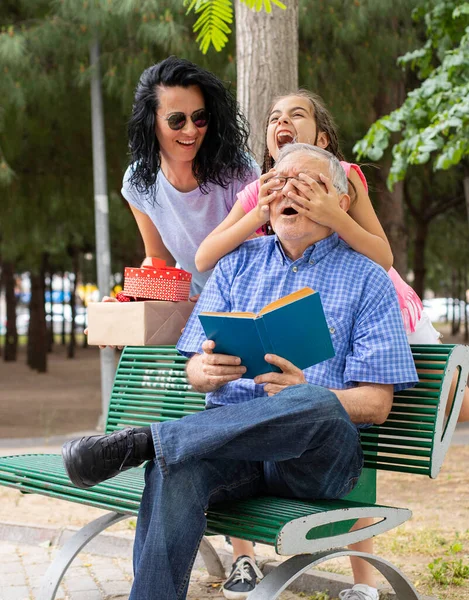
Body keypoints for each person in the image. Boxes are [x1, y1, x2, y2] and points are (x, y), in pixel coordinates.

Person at [63, 144, 419, 600]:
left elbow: (377, 403)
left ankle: (146, 441)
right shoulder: (235, 265)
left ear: (340, 202)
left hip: (314, 460)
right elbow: (193, 367)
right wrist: (205, 371)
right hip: (233, 452)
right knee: (175, 468)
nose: (290, 191)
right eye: (280, 182)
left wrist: (306, 390)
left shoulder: (368, 277)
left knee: (312, 399)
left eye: (307, 183)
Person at [194, 91, 469, 599]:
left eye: (297, 115)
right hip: (296, 305)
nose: (283, 122)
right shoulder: (262, 190)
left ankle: (364, 579)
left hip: (371, 297)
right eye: (274, 117)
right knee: (245, 402)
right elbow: (207, 254)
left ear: (322, 138)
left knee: (420, 402)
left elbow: (380, 255)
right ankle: (247, 558)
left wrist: (330, 211)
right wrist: (262, 211)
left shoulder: (344, 179)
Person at [120, 55, 260, 299]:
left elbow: (258, 256)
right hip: (191, 304)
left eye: (200, 117)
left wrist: (215, 300)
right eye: (177, 120)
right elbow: (157, 257)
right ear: (150, 122)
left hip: (249, 300)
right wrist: (129, 304)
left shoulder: (239, 171)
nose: (191, 130)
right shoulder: (138, 181)